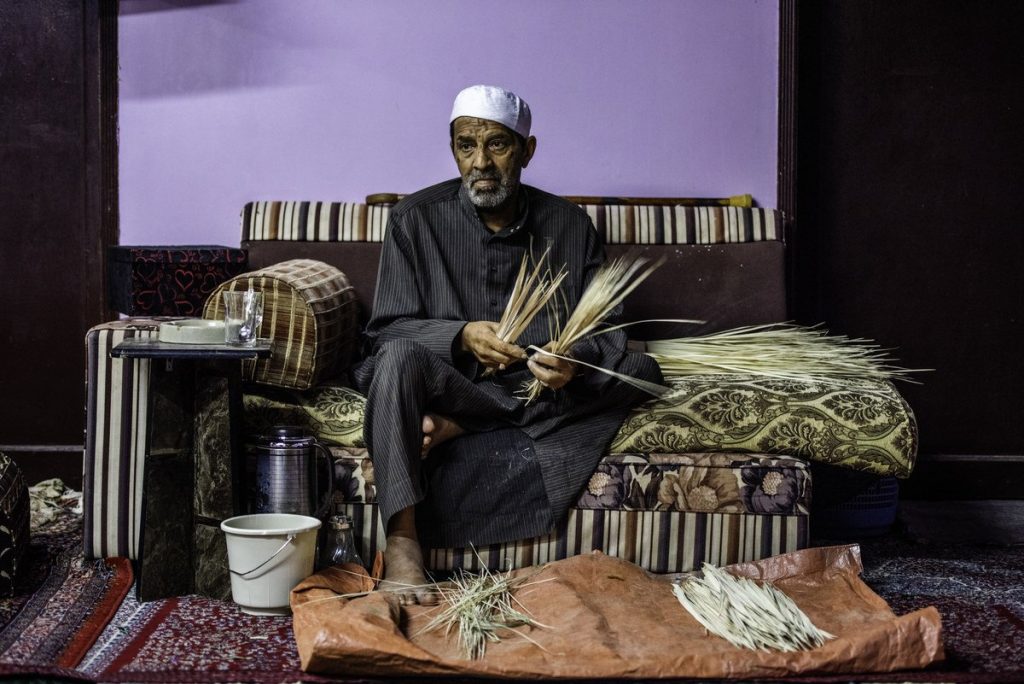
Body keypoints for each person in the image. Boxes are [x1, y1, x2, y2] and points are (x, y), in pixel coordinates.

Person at [351, 84, 662, 603]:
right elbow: (387, 331)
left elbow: (606, 335)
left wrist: (573, 361)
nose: (480, 163)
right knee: (397, 359)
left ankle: (463, 428)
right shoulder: (414, 218)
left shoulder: (568, 224)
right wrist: (460, 335)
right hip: (449, 384)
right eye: (466, 146)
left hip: (533, 387)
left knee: (643, 372)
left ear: (527, 150)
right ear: (453, 148)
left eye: (497, 145)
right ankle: (404, 542)